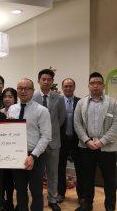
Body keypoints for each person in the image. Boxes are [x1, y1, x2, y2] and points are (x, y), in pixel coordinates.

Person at [74, 72, 117, 211]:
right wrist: (87, 141)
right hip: (87, 147)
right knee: (87, 177)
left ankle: (110, 207)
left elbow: (116, 124)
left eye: (98, 83)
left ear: (103, 86)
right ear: (88, 85)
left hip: (107, 147)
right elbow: (77, 124)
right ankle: (87, 205)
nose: (95, 86)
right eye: (92, 83)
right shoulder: (81, 103)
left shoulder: (113, 102)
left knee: (110, 179)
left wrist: (102, 141)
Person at [8, 78, 51, 211]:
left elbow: (46, 136)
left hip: (36, 155)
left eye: (27, 88)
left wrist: (32, 156)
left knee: (36, 190)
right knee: (20, 189)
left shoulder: (42, 110)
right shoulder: (12, 109)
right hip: (17, 156)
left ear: (33, 90)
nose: (23, 91)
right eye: (20, 88)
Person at [33, 69, 66, 211]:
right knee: (36, 174)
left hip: (53, 142)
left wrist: (49, 131)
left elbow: (61, 118)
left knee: (53, 173)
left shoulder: (58, 98)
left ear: (52, 82)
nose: (46, 82)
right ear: (39, 81)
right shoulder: (32, 97)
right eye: (43, 79)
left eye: (49, 79)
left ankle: (53, 199)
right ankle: (36, 199)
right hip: (35, 142)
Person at [57, 78, 83, 204]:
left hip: (77, 140)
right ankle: (61, 194)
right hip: (61, 140)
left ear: (74, 87)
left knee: (80, 169)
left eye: (70, 86)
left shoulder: (81, 102)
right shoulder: (58, 101)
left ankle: (81, 196)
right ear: (62, 88)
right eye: (66, 86)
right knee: (60, 168)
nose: (68, 88)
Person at [0, 87, 18, 211]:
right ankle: (8, 202)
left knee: (16, 179)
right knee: (5, 179)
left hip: (15, 151)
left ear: (15, 98)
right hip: (1, 151)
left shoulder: (19, 111)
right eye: (5, 96)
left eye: (10, 96)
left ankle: (19, 202)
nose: (7, 99)